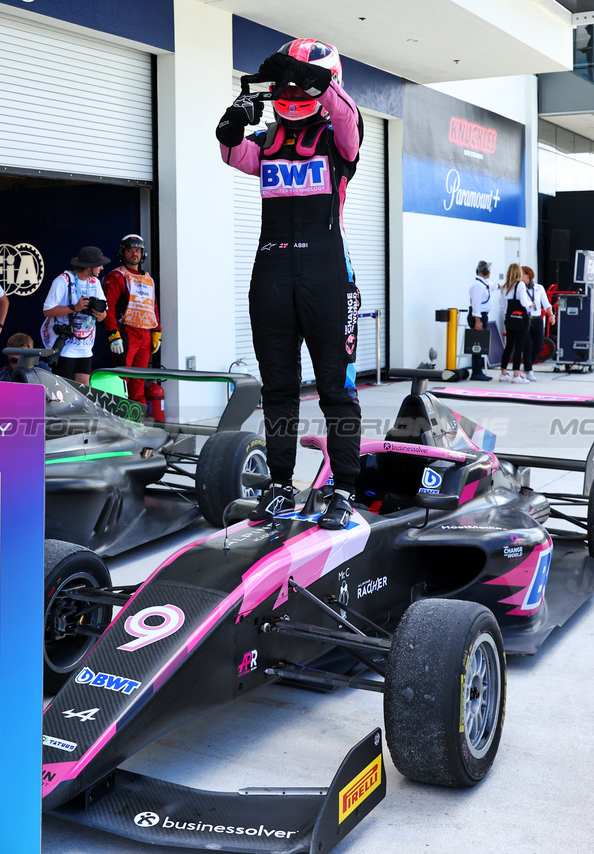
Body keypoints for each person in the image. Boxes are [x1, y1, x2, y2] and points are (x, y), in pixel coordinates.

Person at [217, 38, 362, 530]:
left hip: (327, 277)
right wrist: (237, 115)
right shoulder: (268, 141)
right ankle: (281, 486)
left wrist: (308, 75)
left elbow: (347, 122)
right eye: (285, 83)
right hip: (272, 274)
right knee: (277, 389)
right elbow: (231, 151)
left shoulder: (338, 137)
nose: (291, 91)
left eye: (298, 82)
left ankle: (344, 488)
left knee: (336, 391)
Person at [101, 234, 161, 405]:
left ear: (143, 253)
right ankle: (120, 414)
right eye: (130, 250)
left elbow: (153, 307)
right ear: (123, 253)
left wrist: (157, 332)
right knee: (122, 377)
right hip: (127, 333)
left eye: (138, 250)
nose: (134, 254)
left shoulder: (149, 279)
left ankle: (138, 415)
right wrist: (114, 334)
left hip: (146, 335)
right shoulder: (117, 276)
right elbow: (108, 308)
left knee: (140, 378)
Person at [41, 246, 109, 385]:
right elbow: (47, 311)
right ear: (89, 266)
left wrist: (100, 314)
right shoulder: (63, 280)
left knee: (83, 393)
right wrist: (74, 308)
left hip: (85, 348)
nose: (102, 267)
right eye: (99, 264)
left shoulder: (95, 282)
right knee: (65, 392)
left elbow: (104, 314)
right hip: (65, 347)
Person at [499, 263, 533, 383]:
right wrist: (531, 304)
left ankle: (503, 372)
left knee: (509, 346)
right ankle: (516, 374)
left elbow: (502, 305)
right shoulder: (521, 285)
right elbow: (524, 302)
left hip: (509, 319)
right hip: (520, 320)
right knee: (519, 346)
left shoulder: (505, 286)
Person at [521, 266, 554, 382]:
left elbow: (546, 303)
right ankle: (529, 370)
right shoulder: (519, 288)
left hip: (537, 319)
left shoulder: (539, 288)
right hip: (525, 319)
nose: (520, 276)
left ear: (529, 275)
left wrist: (551, 315)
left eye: (523, 274)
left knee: (539, 346)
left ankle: (527, 364)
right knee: (527, 345)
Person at [467, 261, 493, 382]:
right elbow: (476, 306)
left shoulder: (484, 284)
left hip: (482, 316)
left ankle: (478, 370)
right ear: (486, 272)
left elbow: (493, 285)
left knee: (480, 344)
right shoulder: (477, 286)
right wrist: (478, 321)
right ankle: (476, 371)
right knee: (477, 345)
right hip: (478, 317)